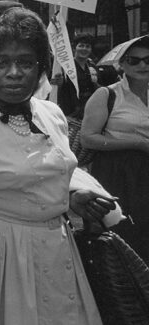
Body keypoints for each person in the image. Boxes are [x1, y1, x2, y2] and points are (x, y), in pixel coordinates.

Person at [0, 8, 115, 325]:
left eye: (25, 62)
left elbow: (42, 176)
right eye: (1, 63)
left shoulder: (53, 114)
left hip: (58, 251)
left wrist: (69, 200)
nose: (14, 72)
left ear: (41, 68)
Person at [81, 34, 149, 263]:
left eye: (148, 60)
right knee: (124, 233)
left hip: (145, 172)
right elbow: (88, 138)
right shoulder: (107, 94)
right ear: (121, 63)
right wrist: (138, 143)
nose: (142, 65)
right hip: (118, 172)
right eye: (134, 60)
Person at [51, 33, 101, 119]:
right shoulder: (65, 67)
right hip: (70, 113)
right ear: (74, 48)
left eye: (87, 46)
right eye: (81, 46)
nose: (84, 49)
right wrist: (59, 83)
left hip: (89, 112)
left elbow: (98, 88)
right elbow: (55, 86)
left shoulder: (92, 66)